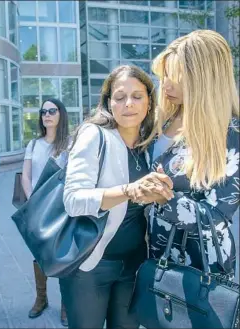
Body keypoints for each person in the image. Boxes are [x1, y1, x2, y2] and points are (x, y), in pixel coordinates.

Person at [61, 65, 174, 328]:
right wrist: (128, 190)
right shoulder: (94, 134)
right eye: (120, 97)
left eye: (137, 96)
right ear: (109, 103)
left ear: (149, 102)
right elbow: (74, 200)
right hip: (90, 264)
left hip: (135, 263)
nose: (128, 104)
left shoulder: (150, 143)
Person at [143, 30, 239, 277]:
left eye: (175, 76)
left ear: (205, 79)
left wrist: (165, 198)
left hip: (201, 267)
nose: (165, 85)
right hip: (158, 256)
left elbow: (217, 216)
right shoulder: (164, 118)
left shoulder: (231, 133)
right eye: (164, 76)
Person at [21, 98, 70, 326]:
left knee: (63, 256)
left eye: (52, 111)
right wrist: (33, 200)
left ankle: (66, 305)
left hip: (62, 207)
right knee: (39, 254)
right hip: (38, 206)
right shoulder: (33, 144)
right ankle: (41, 299)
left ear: (61, 114)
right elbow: (26, 176)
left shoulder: (70, 144)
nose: (47, 115)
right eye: (43, 112)